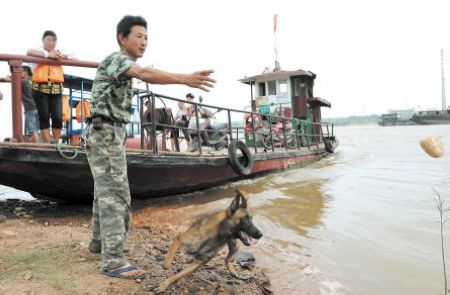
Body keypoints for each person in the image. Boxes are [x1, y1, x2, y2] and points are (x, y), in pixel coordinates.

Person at [85, 15, 215, 279]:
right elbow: (145, 73)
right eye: (139, 36)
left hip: (106, 133)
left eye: (147, 38)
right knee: (117, 196)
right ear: (122, 38)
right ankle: (113, 261)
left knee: (104, 192)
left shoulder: (121, 66)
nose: (144, 42)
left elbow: (142, 73)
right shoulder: (116, 59)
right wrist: (185, 79)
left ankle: (100, 245)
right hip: (105, 133)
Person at [27, 30, 69, 143]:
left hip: (56, 88)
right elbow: (29, 52)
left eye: (54, 40)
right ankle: (48, 142)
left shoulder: (60, 51)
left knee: (58, 116)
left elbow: (75, 57)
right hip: (39, 89)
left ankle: (56, 142)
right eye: (49, 39)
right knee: (44, 115)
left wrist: (63, 56)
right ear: (43, 40)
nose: (51, 42)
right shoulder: (39, 51)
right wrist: (48, 55)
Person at [0, 66, 40, 142]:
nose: (18, 74)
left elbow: (7, 79)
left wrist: (8, 77)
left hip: (30, 109)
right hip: (37, 108)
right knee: (35, 130)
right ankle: (35, 145)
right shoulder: (31, 82)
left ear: (25, 73)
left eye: (20, 72)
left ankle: (37, 147)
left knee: (32, 130)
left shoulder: (22, 81)